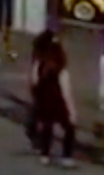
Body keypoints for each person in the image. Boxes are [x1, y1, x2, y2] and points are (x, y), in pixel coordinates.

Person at [30, 33, 76, 167]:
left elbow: (34, 81)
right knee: (69, 128)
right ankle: (67, 156)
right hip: (59, 102)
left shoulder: (40, 65)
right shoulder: (61, 70)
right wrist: (72, 110)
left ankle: (45, 154)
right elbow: (66, 91)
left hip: (44, 101)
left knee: (47, 127)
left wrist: (37, 96)